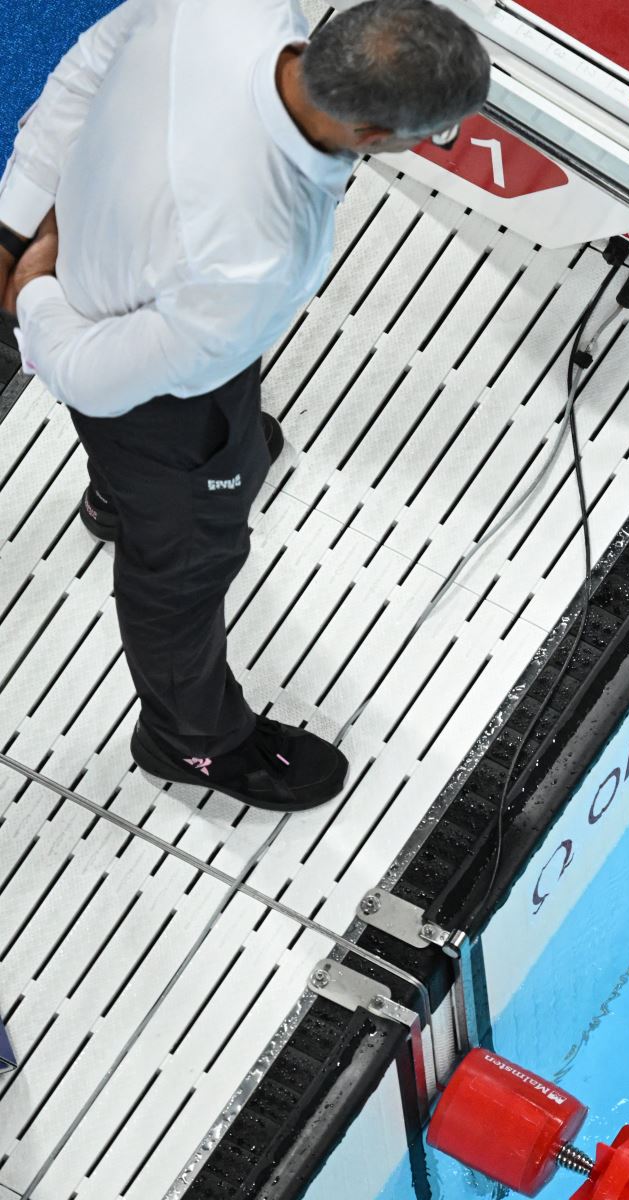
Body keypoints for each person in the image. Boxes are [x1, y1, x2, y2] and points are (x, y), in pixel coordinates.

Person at [0, 0, 490, 811]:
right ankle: (192, 743)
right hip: (136, 381)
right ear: (372, 137)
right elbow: (91, 378)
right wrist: (34, 291)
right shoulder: (260, 257)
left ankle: (120, 497)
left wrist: (18, 229)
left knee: (219, 438)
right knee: (185, 568)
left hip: (105, 260)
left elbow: (93, 57)